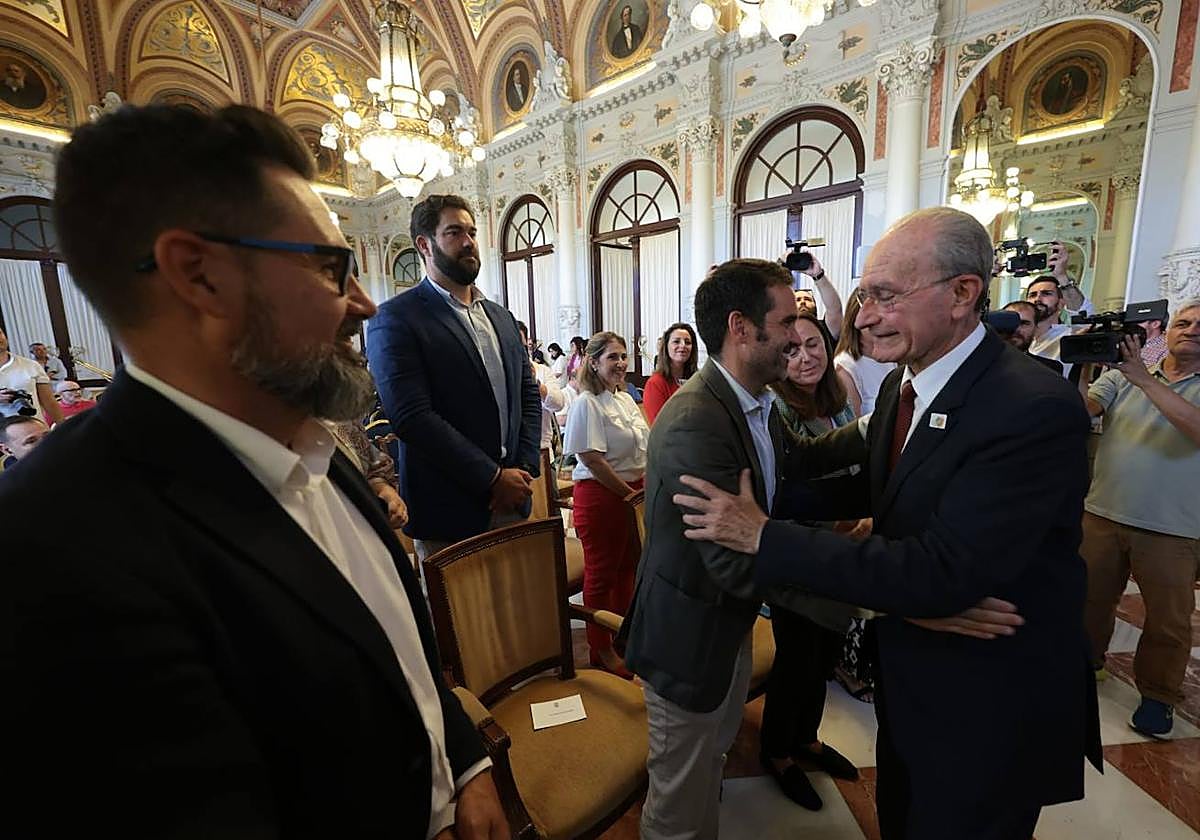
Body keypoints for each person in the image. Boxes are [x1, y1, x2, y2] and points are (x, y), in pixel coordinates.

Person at [6, 104, 506, 838]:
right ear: (200, 276)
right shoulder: (49, 550)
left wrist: (464, 765)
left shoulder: (309, 436)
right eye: (331, 268)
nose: (363, 305)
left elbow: (402, 652)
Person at [675, 208, 1102, 840]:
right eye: (863, 296)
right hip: (916, 681)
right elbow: (869, 484)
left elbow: (941, 573)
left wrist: (762, 534)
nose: (864, 316)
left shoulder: (1030, 407)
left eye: (885, 297)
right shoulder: (912, 383)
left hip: (987, 702)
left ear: (963, 294)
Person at [367, 194, 541, 562]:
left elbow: (527, 394)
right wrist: (493, 478)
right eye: (454, 232)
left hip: (514, 498)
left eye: (472, 232)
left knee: (518, 617)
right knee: (461, 621)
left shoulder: (501, 316)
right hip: (449, 509)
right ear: (424, 245)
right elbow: (413, 418)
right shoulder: (396, 318)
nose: (468, 242)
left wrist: (521, 470)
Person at [1078, 301, 1200, 738]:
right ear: (1165, 332)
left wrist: (1144, 379)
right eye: (1184, 323)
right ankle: (1084, 666)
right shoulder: (1119, 377)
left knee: (1168, 618)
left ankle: (1158, 697)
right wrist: (1082, 369)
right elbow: (1077, 414)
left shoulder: (1138, 376)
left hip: (1173, 526)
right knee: (1089, 600)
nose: (1191, 329)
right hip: (1103, 512)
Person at [761, 311, 866, 810]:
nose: (805, 357)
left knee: (823, 658)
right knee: (796, 661)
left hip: (842, 556)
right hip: (798, 556)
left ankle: (807, 737)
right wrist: (842, 523)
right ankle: (778, 750)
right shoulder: (776, 408)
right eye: (793, 349)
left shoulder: (839, 404)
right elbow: (781, 490)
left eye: (814, 346)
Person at [563, 331, 649, 677]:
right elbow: (592, 458)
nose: (621, 363)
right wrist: (628, 495)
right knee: (601, 574)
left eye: (624, 356)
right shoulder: (588, 402)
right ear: (593, 362)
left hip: (632, 492)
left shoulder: (626, 398)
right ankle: (600, 649)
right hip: (602, 495)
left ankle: (621, 637)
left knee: (628, 567)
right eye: (612, 357)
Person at [1026, 241, 1093, 380]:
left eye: (1046, 294)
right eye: (1032, 295)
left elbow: (1084, 318)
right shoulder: (1021, 339)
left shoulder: (1070, 335)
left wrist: (1062, 277)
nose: (1037, 299)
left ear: (1062, 304)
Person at [833, 292, 896, 416]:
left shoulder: (890, 358)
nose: (879, 325)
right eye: (871, 321)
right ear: (855, 320)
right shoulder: (846, 367)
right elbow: (851, 425)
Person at [517, 320, 566, 453]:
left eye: (522, 346)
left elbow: (559, 403)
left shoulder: (542, 370)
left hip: (541, 448)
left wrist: (537, 386)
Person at [1, 328, 64, 425]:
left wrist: (65, 429)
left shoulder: (31, 365)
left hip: (34, 430)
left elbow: (49, 402)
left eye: (0, 333)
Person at [642, 321, 697, 425]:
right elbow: (659, 426)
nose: (683, 345)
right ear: (666, 347)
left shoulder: (696, 380)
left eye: (688, 342)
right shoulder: (655, 384)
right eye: (676, 341)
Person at [1001, 300, 1065, 374]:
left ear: (1035, 328)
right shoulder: (985, 361)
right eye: (1010, 322)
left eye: (1024, 323)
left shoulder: (1049, 369)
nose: (1017, 329)